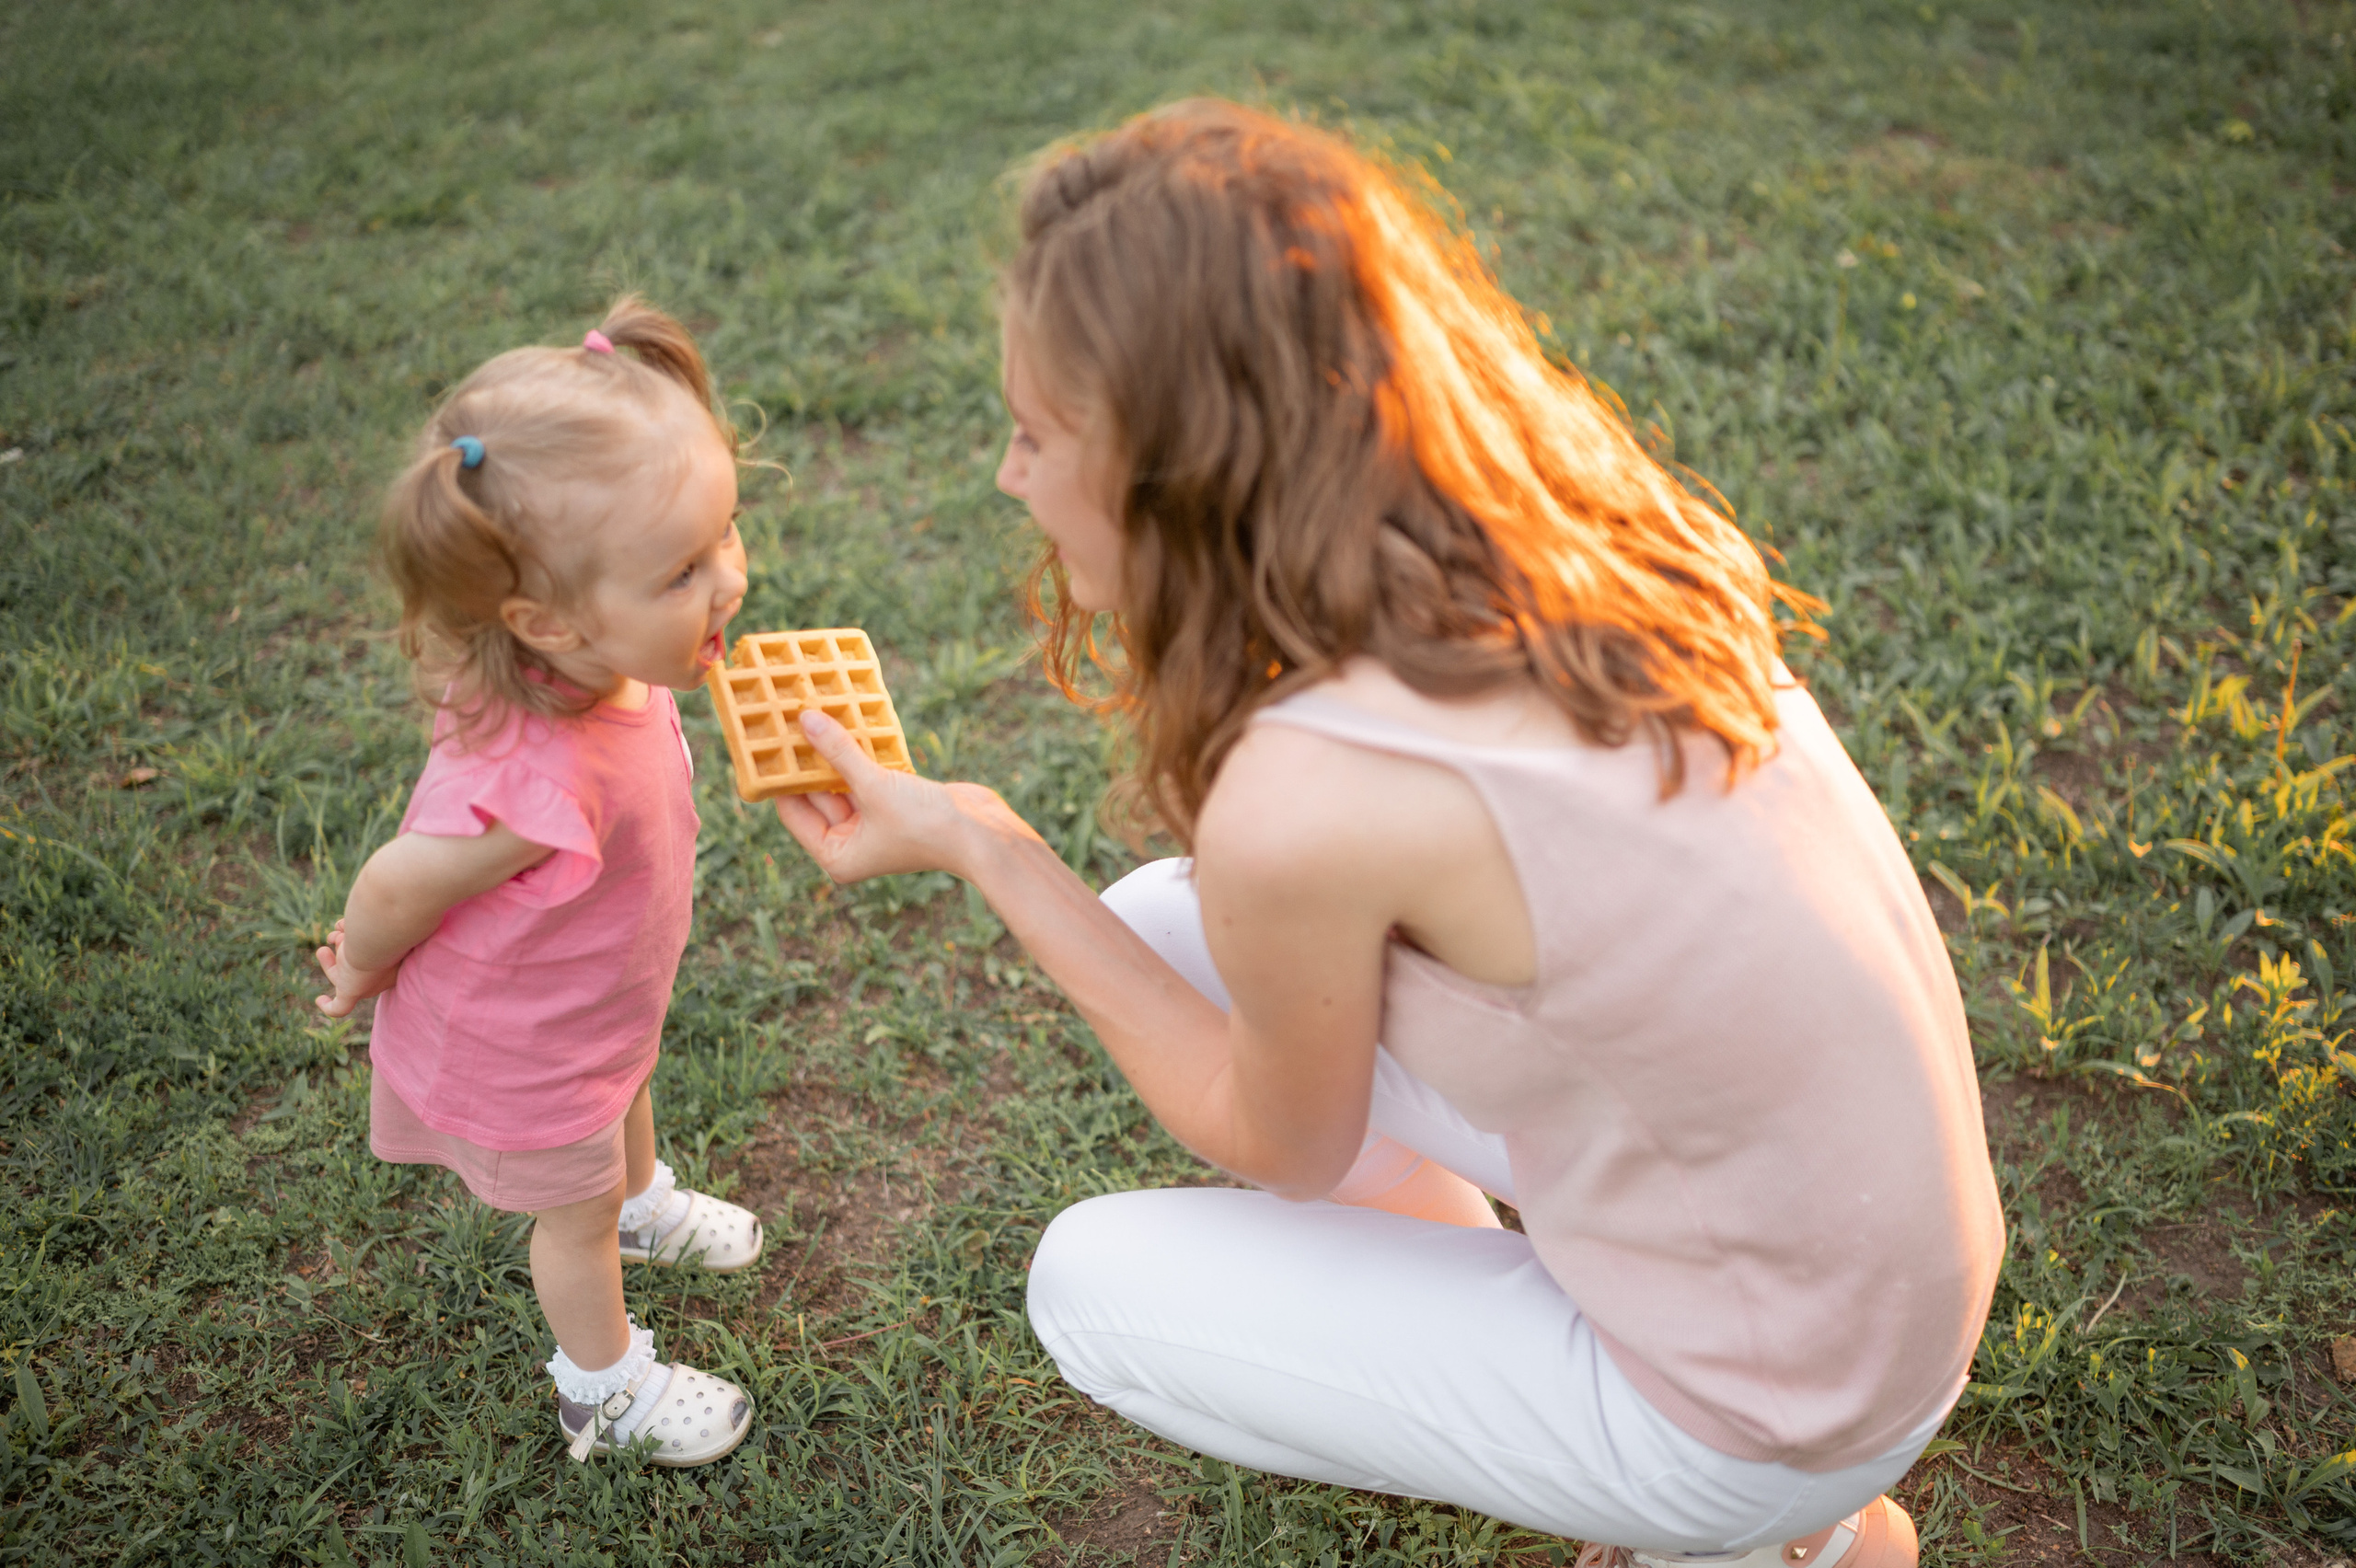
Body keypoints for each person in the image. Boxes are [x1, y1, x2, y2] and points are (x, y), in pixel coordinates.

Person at [770, 101, 2004, 1567]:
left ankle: (1760, 1537)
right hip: (1876, 1280)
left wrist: (989, 846)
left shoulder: (1308, 797)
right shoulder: (1578, 530)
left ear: (1180, 470)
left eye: (1038, 434)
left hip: (1774, 1408)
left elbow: (1280, 1142)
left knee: (1086, 1281)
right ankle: (1685, 1451)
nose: (1010, 477)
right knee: (1170, 922)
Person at [312, 298, 765, 1469]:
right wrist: (360, 963)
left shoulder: (611, 663)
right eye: (682, 569)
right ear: (543, 621)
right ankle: (601, 1390)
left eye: (728, 533)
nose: (731, 580)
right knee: (572, 1226)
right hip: (525, 1034)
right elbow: (401, 880)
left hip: (595, 997)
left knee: (628, 1080)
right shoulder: (532, 785)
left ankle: (644, 1195)